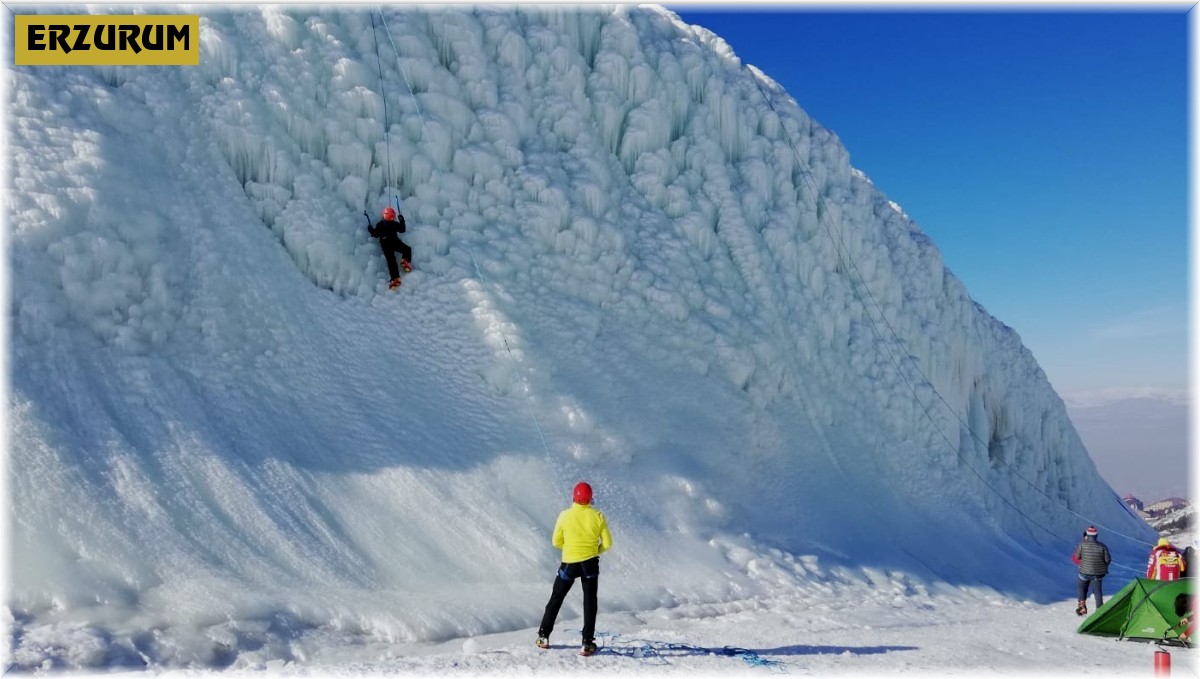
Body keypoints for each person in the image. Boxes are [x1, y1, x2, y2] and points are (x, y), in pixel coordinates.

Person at [536, 481, 612, 656]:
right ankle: (587, 643)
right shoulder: (598, 516)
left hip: (569, 563)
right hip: (590, 564)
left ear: (574, 497)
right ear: (590, 498)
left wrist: (571, 548)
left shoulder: (564, 515)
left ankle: (544, 636)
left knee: (556, 598)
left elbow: (556, 542)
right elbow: (608, 543)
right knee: (590, 602)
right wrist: (594, 551)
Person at [368, 206, 412, 290]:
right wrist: (402, 220)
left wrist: (370, 228)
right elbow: (402, 230)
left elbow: (375, 234)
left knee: (391, 261)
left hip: (385, 245)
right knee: (407, 249)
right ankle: (405, 261)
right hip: (394, 241)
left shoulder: (380, 224)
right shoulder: (394, 224)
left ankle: (395, 278)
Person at [1073, 525, 1111, 616]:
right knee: (1097, 592)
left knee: (1082, 588)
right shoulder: (1102, 546)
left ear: (1087, 535)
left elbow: (1077, 557)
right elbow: (1108, 559)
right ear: (1096, 535)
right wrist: (1102, 566)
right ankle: (1099, 611)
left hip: (1084, 571)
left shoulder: (1082, 544)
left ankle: (1082, 607)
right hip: (1098, 574)